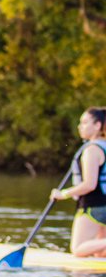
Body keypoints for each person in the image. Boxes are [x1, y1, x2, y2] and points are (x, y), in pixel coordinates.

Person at [51, 107, 106, 257]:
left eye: (85, 122)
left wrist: (63, 194)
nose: (80, 126)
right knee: (100, 254)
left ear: (98, 125)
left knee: (78, 249)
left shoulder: (92, 150)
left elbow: (89, 184)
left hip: (94, 205)